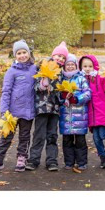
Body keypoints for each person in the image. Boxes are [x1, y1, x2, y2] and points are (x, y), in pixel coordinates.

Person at [0, 39, 37, 174]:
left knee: (25, 136)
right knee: (6, 137)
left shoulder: (34, 69)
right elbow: (6, 91)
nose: (22, 55)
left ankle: (21, 158)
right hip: (12, 112)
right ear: (15, 56)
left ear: (29, 53)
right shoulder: (11, 71)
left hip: (28, 111)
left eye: (24, 52)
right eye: (19, 53)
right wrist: (4, 111)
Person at [27, 41, 68, 171]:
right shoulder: (43, 67)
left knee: (52, 135)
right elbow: (36, 86)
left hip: (55, 109)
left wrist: (63, 99)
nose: (60, 59)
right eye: (58, 56)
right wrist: (43, 84)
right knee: (39, 135)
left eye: (63, 58)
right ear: (53, 55)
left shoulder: (61, 72)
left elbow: (60, 90)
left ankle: (52, 161)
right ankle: (33, 160)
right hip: (42, 107)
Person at [57, 54, 91, 172]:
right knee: (67, 141)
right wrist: (62, 97)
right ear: (64, 66)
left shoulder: (81, 78)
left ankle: (81, 162)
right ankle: (69, 162)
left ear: (76, 66)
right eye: (68, 65)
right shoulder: (61, 79)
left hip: (80, 116)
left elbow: (87, 94)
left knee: (80, 141)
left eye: (72, 64)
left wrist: (76, 99)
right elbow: (58, 97)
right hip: (65, 117)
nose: (70, 67)